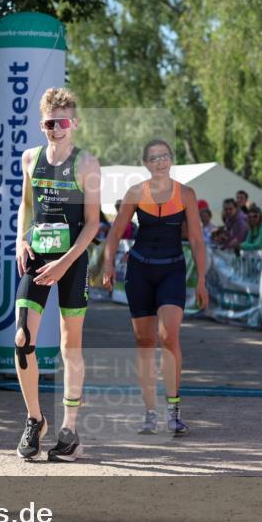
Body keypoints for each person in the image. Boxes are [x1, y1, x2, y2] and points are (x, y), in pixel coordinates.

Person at [14, 87, 101, 462]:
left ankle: (69, 431)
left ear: (75, 123)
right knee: (22, 339)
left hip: (72, 260)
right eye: (50, 123)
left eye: (63, 122)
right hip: (37, 256)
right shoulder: (30, 158)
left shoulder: (87, 164)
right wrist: (20, 239)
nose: (57, 129)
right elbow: (25, 204)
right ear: (42, 125)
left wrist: (65, 262)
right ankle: (35, 420)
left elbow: (93, 223)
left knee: (70, 346)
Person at [103, 139, 208, 437]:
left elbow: (197, 239)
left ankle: (173, 411)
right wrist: (108, 264)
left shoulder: (186, 194)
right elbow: (115, 232)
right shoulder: (136, 192)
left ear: (171, 160)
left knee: (169, 336)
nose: (160, 162)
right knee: (145, 342)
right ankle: (150, 412)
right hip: (140, 271)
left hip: (172, 269)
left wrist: (201, 279)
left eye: (164, 156)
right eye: (154, 158)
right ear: (146, 164)